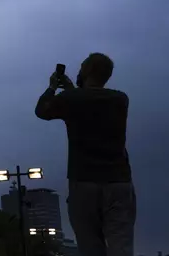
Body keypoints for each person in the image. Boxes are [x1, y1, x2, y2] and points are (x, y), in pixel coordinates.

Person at [35, 53, 136, 256]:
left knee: (90, 246)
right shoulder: (120, 99)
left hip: (83, 181)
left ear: (86, 71)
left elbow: (42, 111)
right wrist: (73, 89)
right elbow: (88, 103)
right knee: (121, 245)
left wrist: (52, 87)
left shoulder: (70, 99)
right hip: (118, 180)